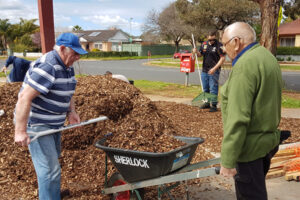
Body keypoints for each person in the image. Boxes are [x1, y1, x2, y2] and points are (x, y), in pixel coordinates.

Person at [14, 32, 88, 199]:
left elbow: (67, 91)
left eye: (79, 54)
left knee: (52, 166)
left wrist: (71, 111)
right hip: (38, 123)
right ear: (62, 49)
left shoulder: (66, 66)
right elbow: (24, 97)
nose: (77, 57)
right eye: (75, 53)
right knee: (49, 170)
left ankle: (51, 195)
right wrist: (20, 131)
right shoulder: (48, 67)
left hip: (54, 123)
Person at [219, 22, 282, 200]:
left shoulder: (245, 66)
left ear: (236, 42)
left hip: (249, 149)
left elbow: (238, 117)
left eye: (225, 44)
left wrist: (228, 159)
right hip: (266, 144)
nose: (224, 49)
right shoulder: (266, 57)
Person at [193, 31, 226, 112]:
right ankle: (206, 103)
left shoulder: (219, 45)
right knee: (205, 88)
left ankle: (214, 105)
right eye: (209, 40)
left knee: (213, 88)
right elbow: (200, 55)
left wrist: (214, 68)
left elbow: (222, 59)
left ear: (215, 37)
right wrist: (196, 52)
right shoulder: (204, 44)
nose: (211, 41)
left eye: (212, 40)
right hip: (205, 70)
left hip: (214, 70)